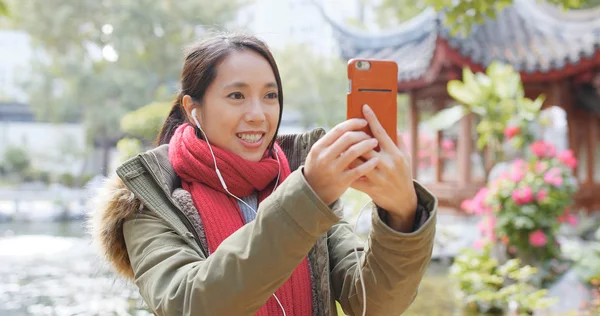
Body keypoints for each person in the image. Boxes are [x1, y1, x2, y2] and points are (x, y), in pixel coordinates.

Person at [89, 33, 437, 316]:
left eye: (270, 96)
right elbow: (190, 305)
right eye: (237, 95)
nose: (258, 114)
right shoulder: (152, 201)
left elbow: (373, 305)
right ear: (193, 109)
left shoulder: (298, 181)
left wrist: (402, 216)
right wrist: (307, 197)